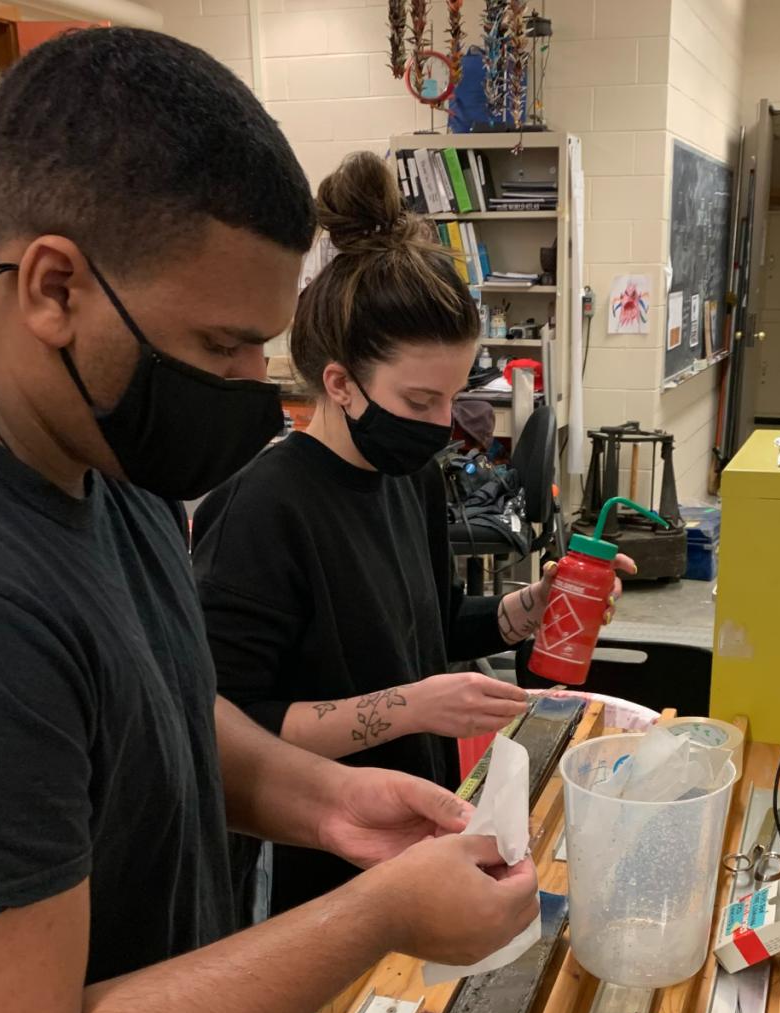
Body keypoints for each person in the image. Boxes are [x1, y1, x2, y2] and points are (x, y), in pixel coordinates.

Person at [0, 30, 537, 1013]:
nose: (254, 385)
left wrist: (326, 800)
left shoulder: (100, 460)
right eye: (217, 345)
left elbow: (162, 714)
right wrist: (379, 912)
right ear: (52, 285)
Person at [192, 152, 633, 916]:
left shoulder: (409, 477)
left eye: (455, 396)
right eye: (422, 398)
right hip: (317, 866)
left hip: (416, 822)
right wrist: (414, 707)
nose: (443, 426)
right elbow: (230, 730)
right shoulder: (262, 508)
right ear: (339, 383)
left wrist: (533, 606)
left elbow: (423, 627)